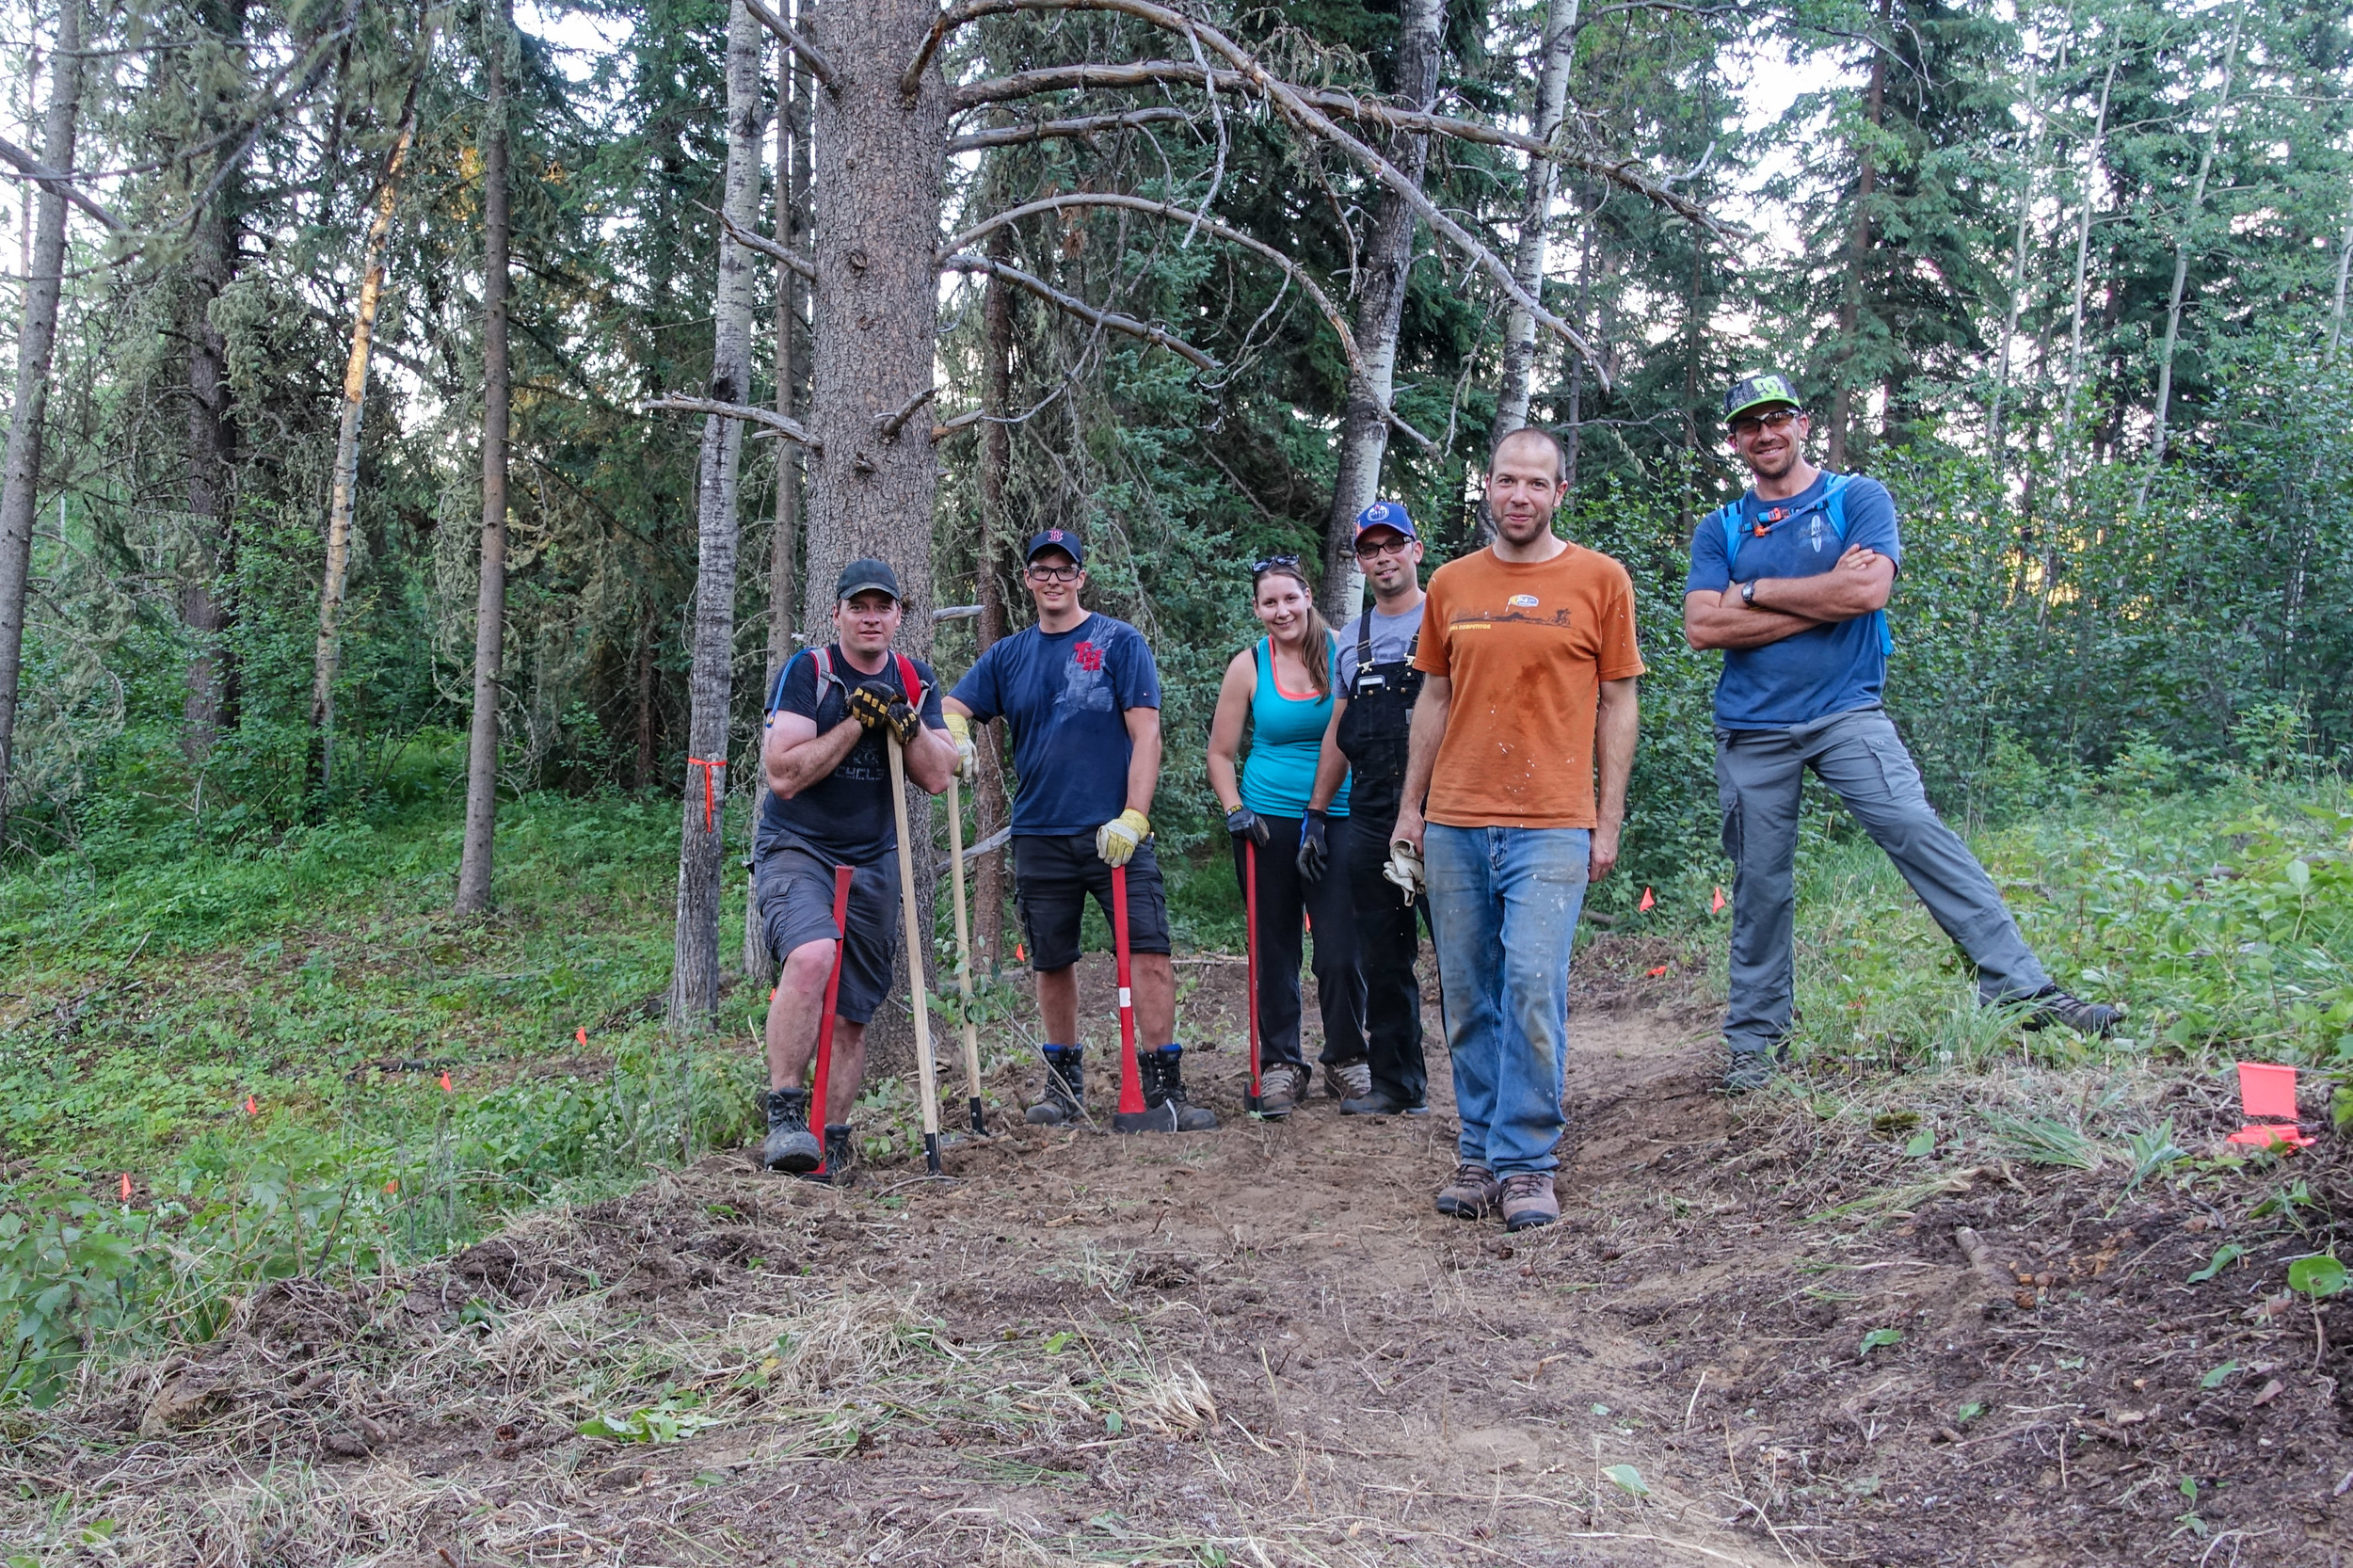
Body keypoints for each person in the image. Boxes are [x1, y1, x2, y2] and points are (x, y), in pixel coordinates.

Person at [1684, 373, 2120, 1093]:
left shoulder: (1856, 498)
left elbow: (1867, 590)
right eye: (1749, 425)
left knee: (1916, 829)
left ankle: (2021, 987)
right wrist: (1823, 598)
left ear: (1802, 423)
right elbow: (1704, 626)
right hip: (1752, 728)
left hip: (1846, 713)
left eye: (1777, 418)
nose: (1766, 434)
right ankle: (1757, 1044)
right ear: (1734, 441)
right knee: (1760, 884)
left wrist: (1753, 592)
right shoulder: (1721, 526)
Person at [1392, 427, 1642, 1232]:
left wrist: (1608, 818)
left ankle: (1528, 1161)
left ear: (1559, 492)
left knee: (1533, 987)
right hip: (1456, 821)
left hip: (1554, 823)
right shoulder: (1452, 585)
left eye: (1537, 483)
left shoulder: (1600, 580)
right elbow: (1432, 700)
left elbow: (1619, 702)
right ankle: (1479, 1151)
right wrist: (1411, 808)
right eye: (1507, 481)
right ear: (1489, 487)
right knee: (1468, 996)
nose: (1521, 496)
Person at [944, 529, 1214, 1132]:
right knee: (1052, 962)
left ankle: (1163, 1088)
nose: (1053, 580)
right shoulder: (1009, 655)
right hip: (1040, 832)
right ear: (1027, 580)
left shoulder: (1120, 641)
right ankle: (1064, 1087)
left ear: (1081, 578)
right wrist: (957, 732)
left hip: (1116, 833)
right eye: (1042, 570)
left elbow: (1147, 732)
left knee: (1149, 954)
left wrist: (1135, 816)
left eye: (1064, 570)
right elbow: (954, 704)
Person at [754, 558, 959, 1176]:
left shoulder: (915, 678)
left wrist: (907, 725)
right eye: (859, 607)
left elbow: (938, 774)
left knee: (852, 1011)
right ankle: (785, 1116)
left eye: (882, 607)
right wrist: (855, 722)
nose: (871, 618)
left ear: (898, 616)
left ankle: (831, 1143)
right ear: (837, 613)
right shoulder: (809, 673)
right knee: (812, 956)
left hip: (873, 856)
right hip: (799, 848)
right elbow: (783, 774)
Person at [1206, 555, 1368, 1119]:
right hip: (1265, 826)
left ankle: (1347, 1056)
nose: (1282, 611)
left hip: (1338, 819)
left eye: (1290, 598)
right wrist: (1235, 810)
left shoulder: (1345, 651)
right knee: (1274, 949)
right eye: (1269, 602)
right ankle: (1280, 1063)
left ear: (1308, 597)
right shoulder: (1248, 666)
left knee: (1340, 948)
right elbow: (1220, 754)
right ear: (1257, 609)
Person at [1307, 501, 1431, 1117]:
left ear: (1416, 549)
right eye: (1369, 549)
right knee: (1383, 957)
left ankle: (1491, 1092)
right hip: (1370, 812)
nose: (1382, 558)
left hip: (1445, 811)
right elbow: (1338, 729)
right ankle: (1396, 1084)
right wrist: (1316, 813)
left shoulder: (1446, 620)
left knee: (1466, 958)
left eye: (1393, 545)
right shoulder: (1349, 640)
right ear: (1359, 560)